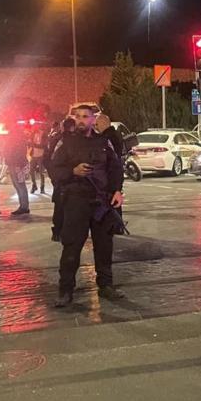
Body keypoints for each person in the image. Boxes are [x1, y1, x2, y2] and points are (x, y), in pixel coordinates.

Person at [48, 104, 125, 307]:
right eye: (78, 116)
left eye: (86, 117)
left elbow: (115, 168)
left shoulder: (104, 142)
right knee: (72, 247)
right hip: (76, 201)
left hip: (102, 202)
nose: (82, 120)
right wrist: (73, 171)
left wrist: (117, 190)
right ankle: (65, 290)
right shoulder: (65, 142)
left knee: (104, 246)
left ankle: (106, 285)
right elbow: (54, 170)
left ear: (93, 119)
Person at [45, 116, 76, 242]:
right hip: (70, 179)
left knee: (59, 207)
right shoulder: (73, 140)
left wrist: (54, 176)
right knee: (70, 208)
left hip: (60, 179)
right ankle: (64, 231)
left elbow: (47, 159)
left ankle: (57, 231)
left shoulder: (56, 139)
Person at [5, 126, 31, 216]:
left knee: (20, 185)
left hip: (16, 165)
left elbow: (16, 153)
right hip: (15, 164)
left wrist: (16, 163)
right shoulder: (19, 139)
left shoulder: (17, 140)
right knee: (19, 185)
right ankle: (23, 206)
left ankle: (24, 207)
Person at [29, 124, 47, 194]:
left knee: (41, 172)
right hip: (34, 155)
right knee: (31, 171)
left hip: (41, 155)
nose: (34, 128)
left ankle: (42, 187)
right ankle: (34, 185)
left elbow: (44, 145)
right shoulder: (33, 134)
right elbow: (31, 143)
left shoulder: (44, 134)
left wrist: (34, 144)